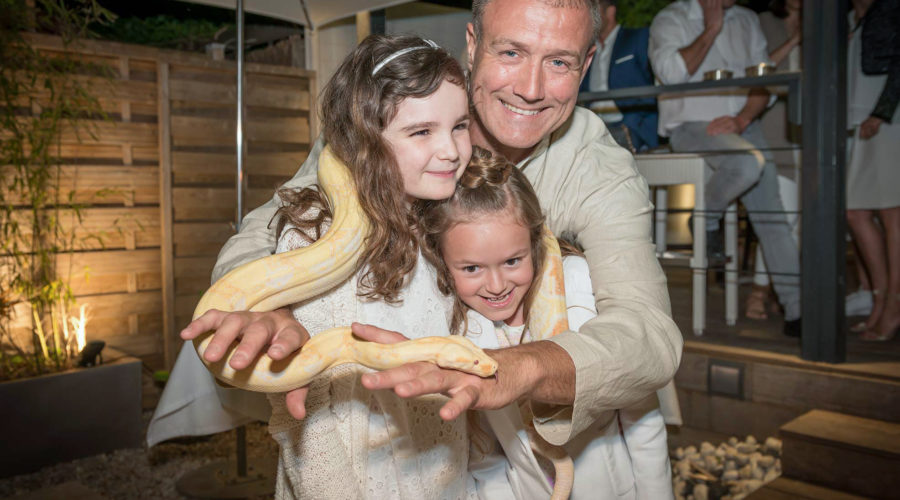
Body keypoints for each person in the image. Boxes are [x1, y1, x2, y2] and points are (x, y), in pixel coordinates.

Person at [184, 0, 683, 454]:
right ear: (472, 44)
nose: (531, 89)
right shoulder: (390, 114)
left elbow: (650, 335)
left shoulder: (599, 171)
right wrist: (273, 310)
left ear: (587, 64)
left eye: (559, 62)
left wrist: (517, 369)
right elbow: (267, 227)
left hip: (540, 436)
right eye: (511, 52)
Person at [223, 34, 483, 498]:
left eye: (460, 126)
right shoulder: (313, 235)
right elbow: (312, 414)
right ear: (364, 141)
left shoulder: (443, 224)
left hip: (438, 465)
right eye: (422, 132)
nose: (450, 150)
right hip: (348, 474)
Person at [418, 148, 674, 499]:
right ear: (442, 261)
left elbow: (641, 414)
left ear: (535, 242)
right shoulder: (459, 330)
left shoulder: (579, 287)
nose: (496, 286)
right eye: (472, 268)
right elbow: (485, 454)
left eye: (512, 261)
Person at [649, 0, 802, 337]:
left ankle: (799, 310)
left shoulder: (747, 19)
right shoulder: (671, 18)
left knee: (772, 215)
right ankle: (707, 218)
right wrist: (711, 28)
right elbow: (672, 74)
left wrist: (743, 117)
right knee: (748, 163)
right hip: (690, 126)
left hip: (743, 124)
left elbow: (762, 77)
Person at [846, 0, 900, 342]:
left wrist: (882, 112)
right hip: (859, 120)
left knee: (892, 211)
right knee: (856, 211)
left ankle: (892, 306)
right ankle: (881, 300)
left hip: (888, 116)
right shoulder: (849, 16)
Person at [745, 0, 802, 320]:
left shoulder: (834, 23)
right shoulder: (764, 21)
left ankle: (782, 293)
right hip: (776, 130)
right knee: (782, 218)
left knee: (799, 224)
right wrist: (796, 40)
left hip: (814, 135)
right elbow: (760, 72)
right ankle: (760, 290)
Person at [580, 0, 659, 153]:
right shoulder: (587, 50)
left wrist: (630, 126)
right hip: (594, 126)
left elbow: (652, 83)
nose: (589, 18)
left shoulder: (637, 38)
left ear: (610, 12)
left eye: (595, 12)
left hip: (629, 126)